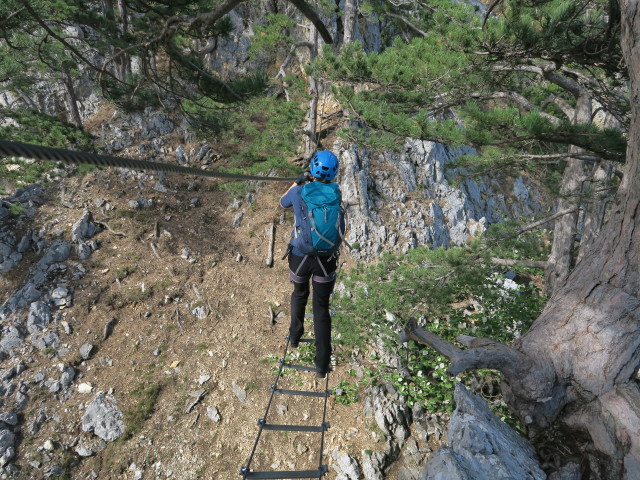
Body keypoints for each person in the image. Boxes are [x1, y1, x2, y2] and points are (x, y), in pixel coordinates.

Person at [279, 150, 344, 379]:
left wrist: (298, 181)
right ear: (335, 172)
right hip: (326, 260)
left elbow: (283, 202)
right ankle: (322, 364)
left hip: (301, 257)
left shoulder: (298, 192)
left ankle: (295, 336)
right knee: (321, 308)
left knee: (299, 293)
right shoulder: (337, 194)